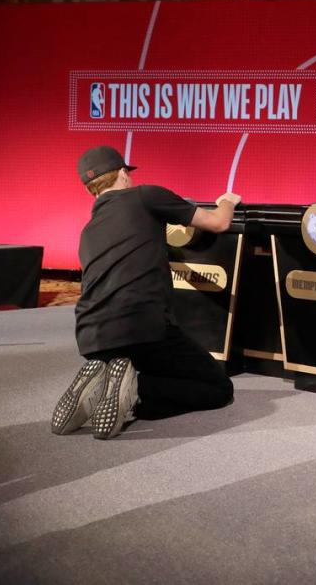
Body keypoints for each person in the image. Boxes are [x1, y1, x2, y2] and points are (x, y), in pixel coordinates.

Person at [51, 145, 238, 440]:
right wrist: (228, 201)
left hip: (91, 335)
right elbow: (219, 222)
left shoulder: (88, 230)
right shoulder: (146, 196)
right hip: (143, 327)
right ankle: (136, 391)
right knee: (218, 389)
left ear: (90, 189)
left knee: (146, 361)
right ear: (123, 174)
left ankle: (108, 378)